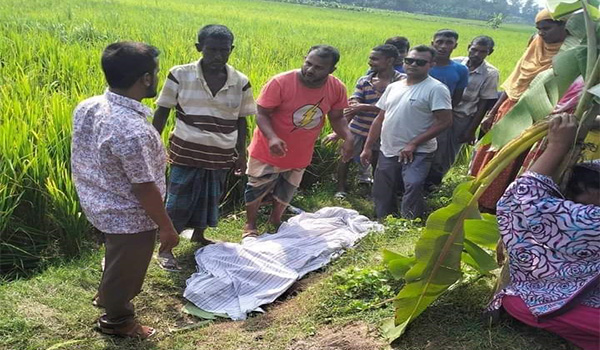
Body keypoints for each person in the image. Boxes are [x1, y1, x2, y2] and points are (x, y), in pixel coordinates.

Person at [71, 42, 179, 338]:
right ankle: (117, 320)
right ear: (145, 78)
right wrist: (166, 228)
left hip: (97, 202)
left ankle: (107, 293)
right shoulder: (134, 130)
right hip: (129, 216)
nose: (157, 77)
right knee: (128, 271)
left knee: (116, 256)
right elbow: (144, 188)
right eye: (156, 72)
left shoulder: (89, 105)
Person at [488, 114, 599, 350]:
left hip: (546, 299)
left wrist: (557, 147)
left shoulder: (590, 221)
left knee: (518, 302)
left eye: (578, 193)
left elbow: (521, 201)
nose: (572, 200)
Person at [153, 25, 256, 270]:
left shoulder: (240, 81)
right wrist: (152, 143)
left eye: (223, 51)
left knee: (211, 197)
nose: (217, 57)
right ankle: (165, 249)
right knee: (177, 201)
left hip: (221, 152)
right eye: (211, 50)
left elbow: (241, 119)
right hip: (186, 151)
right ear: (199, 48)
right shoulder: (179, 74)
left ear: (231, 50)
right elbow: (163, 110)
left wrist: (241, 153)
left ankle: (198, 235)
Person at [244, 45, 354, 237]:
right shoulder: (280, 82)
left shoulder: (336, 87)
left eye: (318, 67)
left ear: (331, 69)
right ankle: (250, 224)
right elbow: (261, 113)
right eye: (308, 63)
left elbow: (337, 118)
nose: (310, 70)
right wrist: (272, 137)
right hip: (268, 148)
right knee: (256, 187)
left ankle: (276, 219)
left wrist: (348, 137)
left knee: (288, 187)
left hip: (300, 150)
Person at [470, 9, 568, 213]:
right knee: (496, 154)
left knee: (519, 159)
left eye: (547, 28)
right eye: (538, 29)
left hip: (542, 113)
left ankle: (504, 205)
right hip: (511, 109)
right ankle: (481, 200)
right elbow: (514, 82)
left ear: (563, 26)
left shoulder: (570, 52)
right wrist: (494, 111)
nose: (542, 34)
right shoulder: (535, 45)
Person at [360, 45, 452, 220]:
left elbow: (445, 122)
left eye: (420, 62)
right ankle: (384, 219)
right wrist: (367, 147)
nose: (413, 65)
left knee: (413, 184)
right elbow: (380, 118)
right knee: (383, 186)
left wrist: (414, 143)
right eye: (409, 60)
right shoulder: (394, 87)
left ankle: (409, 222)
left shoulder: (436, 89)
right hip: (389, 147)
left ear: (431, 64)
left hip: (419, 150)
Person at [326, 44, 405, 198]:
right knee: (345, 157)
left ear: (389, 61)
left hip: (383, 131)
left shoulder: (401, 82)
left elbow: (394, 107)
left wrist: (362, 107)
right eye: (370, 58)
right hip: (357, 128)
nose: (370, 62)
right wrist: (338, 132)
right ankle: (341, 189)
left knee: (378, 162)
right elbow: (353, 105)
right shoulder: (365, 80)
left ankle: (377, 191)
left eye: (375, 59)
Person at [433, 36, 499, 173]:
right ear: (469, 47)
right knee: (432, 148)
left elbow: (483, 103)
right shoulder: (454, 63)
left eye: (482, 52)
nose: (476, 54)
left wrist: (470, 130)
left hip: (462, 117)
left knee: (449, 154)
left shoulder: (491, 73)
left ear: (490, 52)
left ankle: (433, 184)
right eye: (474, 50)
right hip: (441, 112)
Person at [426, 29, 469, 187]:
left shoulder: (460, 70)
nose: (443, 46)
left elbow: (457, 97)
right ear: (433, 43)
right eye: (439, 42)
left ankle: (430, 186)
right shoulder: (423, 65)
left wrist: (442, 113)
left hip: (440, 118)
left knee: (437, 153)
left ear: (455, 46)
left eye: (448, 43)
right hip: (417, 114)